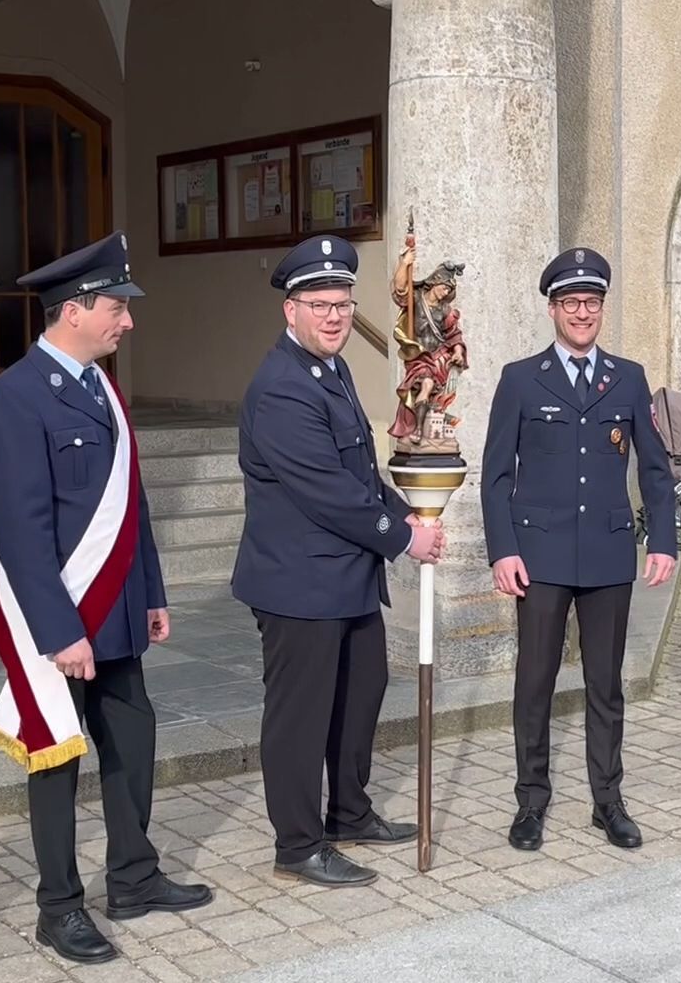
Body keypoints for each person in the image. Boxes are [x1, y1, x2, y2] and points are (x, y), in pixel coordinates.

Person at [0, 231, 212, 965]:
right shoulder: (14, 399)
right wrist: (56, 630)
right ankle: (59, 907)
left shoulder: (101, 387)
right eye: (118, 307)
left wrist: (152, 595)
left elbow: (129, 507)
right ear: (75, 309)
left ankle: (134, 877)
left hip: (115, 613)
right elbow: (20, 531)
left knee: (132, 741)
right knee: (56, 759)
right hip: (61, 623)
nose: (128, 321)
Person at [232, 234, 440, 888]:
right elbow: (325, 492)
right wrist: (404, 539)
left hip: (345, 577)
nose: (334, 316)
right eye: (319, 304)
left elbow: (358, 470)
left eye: (343, 304)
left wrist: (401, 509)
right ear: (289, 311)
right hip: (299, 584)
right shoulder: (283, 390)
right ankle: (297, 845)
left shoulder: (332, 370)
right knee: (300, 717)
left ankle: (348, 810)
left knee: (360, 695)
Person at [481, 247, 677, 852]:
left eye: (591, 302)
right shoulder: (520, 379)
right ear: (552, 310)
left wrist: (664, 541)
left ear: (601, 308)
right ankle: (531, 801)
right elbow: (495, 475)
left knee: (605, 685)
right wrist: (503, 551)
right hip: (537, 559)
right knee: (534, 681)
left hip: (606, 556)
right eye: (571, 303)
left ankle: (607, 801)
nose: (582, 312)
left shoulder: (629, 377)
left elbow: (654, 465)